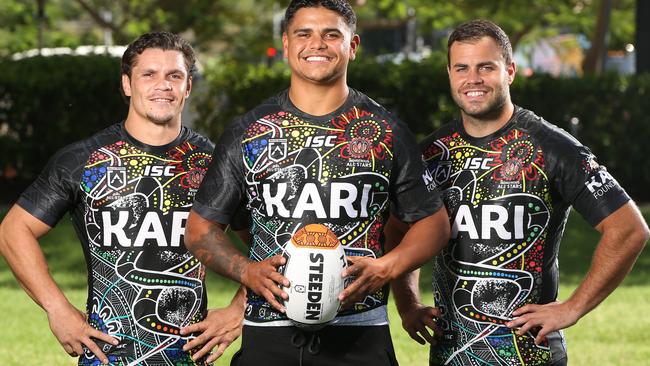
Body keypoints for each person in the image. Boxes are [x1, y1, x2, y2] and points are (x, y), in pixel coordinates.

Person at [183, 0, 450, 365]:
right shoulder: (249, 131)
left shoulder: (385, 131)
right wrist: (246, 271)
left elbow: (433, 223)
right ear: (287, 44)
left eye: (331, 34)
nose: (317, 44)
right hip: (268, 334)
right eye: (304, 34)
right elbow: (200, 229)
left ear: (352, 46)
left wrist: (386, 267)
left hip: (360, 334)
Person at [390, 19, 650, 366]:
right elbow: (397, 228)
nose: (473, 79)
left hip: (531, 356)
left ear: (509, 71)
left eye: (486, 67)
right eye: (462, 68)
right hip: (450, 355)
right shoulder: (432, 153)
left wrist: (572, 308)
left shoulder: (552, 147)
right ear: (449, 74)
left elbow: (629, 229)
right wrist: (408, 304)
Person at [0, 31, 245, 365]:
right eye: (149, 74)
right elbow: (14, 230)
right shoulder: (85, 160)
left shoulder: (216, 164)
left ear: (188, 87)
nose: (163, 85)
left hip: (186, 357)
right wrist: (57, 309)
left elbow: (270, 242)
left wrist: (236, 311)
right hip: (107, 355)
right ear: (127, 84)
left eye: (175, 76)